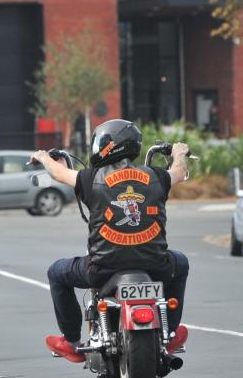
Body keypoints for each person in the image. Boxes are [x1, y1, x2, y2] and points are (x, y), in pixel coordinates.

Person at [30, 119, 190, 363]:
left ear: (106, 147)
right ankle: (171, 332)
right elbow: (179, 172)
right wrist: (179, 153)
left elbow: (59, 172)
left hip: (103, 269)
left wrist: (43, 157)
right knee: (181, 263)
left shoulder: (90, 178)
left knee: (56, 273)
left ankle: (71, 341)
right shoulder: (157, 177)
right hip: (156, 265)